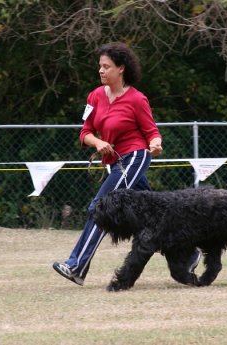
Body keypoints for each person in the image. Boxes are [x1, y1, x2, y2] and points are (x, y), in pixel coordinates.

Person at [53, 42, 200, 286]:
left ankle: (77, 265)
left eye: (106, 66)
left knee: (99, 208)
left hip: (134, 158)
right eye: (99, 66)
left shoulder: (137, 99)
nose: (101, 71)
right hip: (114, 162)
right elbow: (85, 132)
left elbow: (152, 132)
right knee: (155, 217)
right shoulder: (95, 96)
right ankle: (189, 253)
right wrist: (98, 143)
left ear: (121, 69)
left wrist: (156, 144)